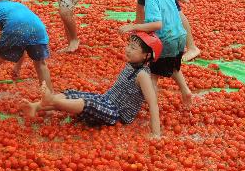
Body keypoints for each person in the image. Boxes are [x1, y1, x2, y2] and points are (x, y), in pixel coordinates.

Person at [22, 31, 162, 139]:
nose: (128, 49)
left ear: (146, 56)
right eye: (128, 45)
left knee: (87, 103)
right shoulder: (132, 64)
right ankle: (36, 106)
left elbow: (153, 104)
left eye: (133, 48)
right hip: (106, 99)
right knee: (72, 94)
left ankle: (52, 100)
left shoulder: (143, 75)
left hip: (116, 113)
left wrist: (156, 134)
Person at [120, 0, 193, 107]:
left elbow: (157, 25)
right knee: (173, 67)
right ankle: (185, 90)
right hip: (180, 37)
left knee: (153, 74)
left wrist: (134, 27)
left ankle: (153, 105)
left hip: (165, 40)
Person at [0, 0, 52, 116]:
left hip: (15, 29)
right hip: (38, 27)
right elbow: (24, 39)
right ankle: (50, 105)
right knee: (41, 65)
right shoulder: (18, 5)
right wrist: (17, 68)